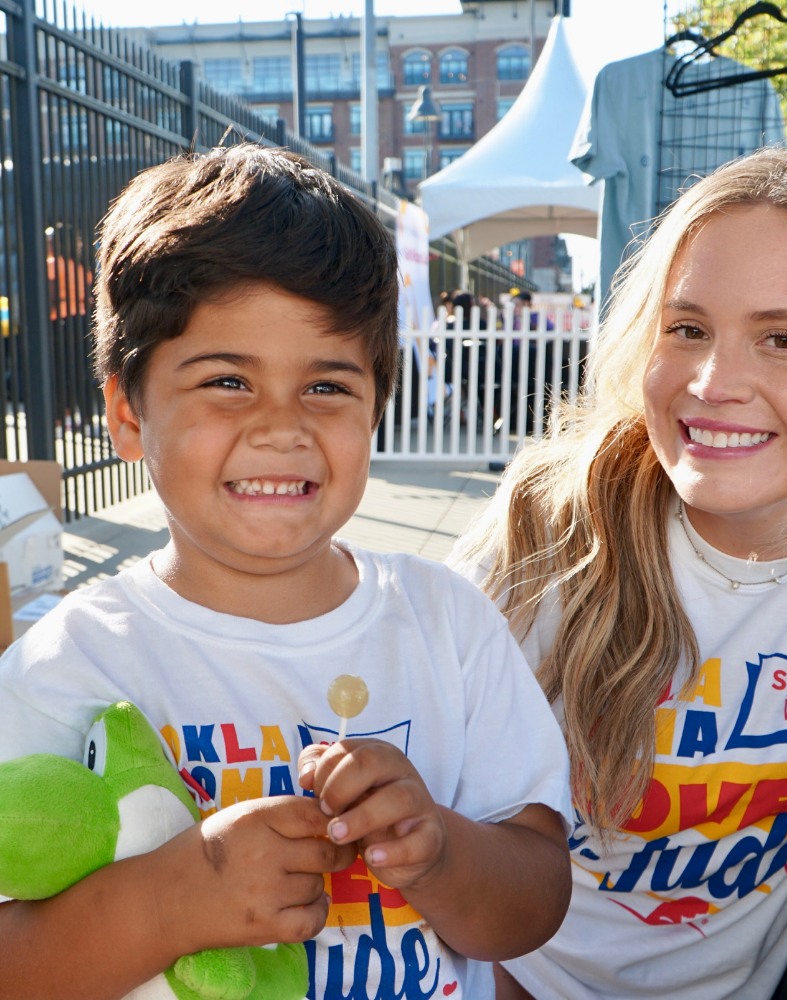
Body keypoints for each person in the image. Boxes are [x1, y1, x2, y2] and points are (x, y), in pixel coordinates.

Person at [0, 145, 573, 1000]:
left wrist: (440, 850)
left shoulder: (445, 622)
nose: (281, 427)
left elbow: (534, 902)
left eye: (328, 387)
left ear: (377, 403)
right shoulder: (66, 669)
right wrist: (173, 900)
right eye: (227, 380)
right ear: (127, 415)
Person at [452, 148, 787, 1000]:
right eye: (688, 329)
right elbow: (427, 822)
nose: (713, 384)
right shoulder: (549, 535)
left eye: (783, 339)